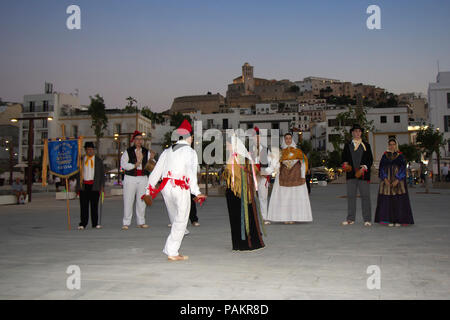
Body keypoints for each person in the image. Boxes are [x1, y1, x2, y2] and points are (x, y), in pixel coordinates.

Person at [144, 120, 206, 261]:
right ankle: (172, 251)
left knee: (175, 217)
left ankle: (178, 235)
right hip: (180, 188)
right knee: (182, 218)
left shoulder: (167, 150)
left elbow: (156, 171)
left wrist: (148, 190)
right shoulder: (189, 151)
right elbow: (191, 173)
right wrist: (197, 192)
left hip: (166, 188)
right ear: (189, 137)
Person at [222, 134, 265, 251]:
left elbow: (240, 175)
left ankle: (244, 244)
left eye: (228, 145)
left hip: (238, 193)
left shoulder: (237, 158)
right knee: (240, 217)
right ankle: (242, 243)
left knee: (241, 217)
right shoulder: (243, 157)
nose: (227, 147)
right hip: (241, 192)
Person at [266, 132, 312, 224]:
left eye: (289, 138)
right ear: (284, 140)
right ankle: (285, 218)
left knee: (294, 198)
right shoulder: (280, 153)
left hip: (296, 177)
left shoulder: (298, 151)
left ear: (292, 140)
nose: (288, 140)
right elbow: (275, 165)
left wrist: (302, 172)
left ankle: (293, 217)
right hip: (283, 178)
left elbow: (304, 162)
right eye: (286, 138)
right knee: (284, 199)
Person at [374, 138, 414, 227]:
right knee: (387, 201)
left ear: (396, 145)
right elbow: (381, 168)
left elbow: (403, 168)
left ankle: (399, 220)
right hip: (386, 182)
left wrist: (397, 179)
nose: (392, 146)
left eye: (393, 144)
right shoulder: (385, 156)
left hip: (398, 182)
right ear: (388, 146)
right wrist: (385, 179)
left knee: (398, 200)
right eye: (390, 144)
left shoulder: (400, 156)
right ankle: (388, 219)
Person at [341, 124, 374, 226]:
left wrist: (364, 167)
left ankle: (367, 219)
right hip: (351, 175)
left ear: (361, 133)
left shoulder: (366, 145)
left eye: (359, 131)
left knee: (365, 196)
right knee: (351, 197)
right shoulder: (347, 145)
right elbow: (344, 158)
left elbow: (370, 160)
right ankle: (350, 219)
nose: (357, 133)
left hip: (363, 175)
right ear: (352, 133)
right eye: (355, 131)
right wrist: (345, 164)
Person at [120, 131, 151, 230]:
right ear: (134, 140)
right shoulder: (127, 151)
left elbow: (151, 165)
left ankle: (141, 221)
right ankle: (126, 222)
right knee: (128, 200)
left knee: (141, 200)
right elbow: (123, 164)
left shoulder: (147, 151)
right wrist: (134, 165)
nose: (139, 141)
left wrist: (152, 161)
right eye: (137, 139)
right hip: (130, 178)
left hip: (143, 178)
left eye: (140, 139)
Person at [76, 142, 105, 230]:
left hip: (94, 186)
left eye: (91, 149)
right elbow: (77, 173)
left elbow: (102, 174)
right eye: (88, 149)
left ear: (94, 150)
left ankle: (95, 223)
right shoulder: (81, 160)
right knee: (83, 206)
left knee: (94, 205)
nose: (90, 151)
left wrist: (102, 186)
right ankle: (83, 223)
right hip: (84, 185)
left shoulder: (98, 160)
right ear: (85, 150)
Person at [250, 126, 273, 225]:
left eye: (258, 137)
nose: (257, 139)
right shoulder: (249, 150)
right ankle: (252, 218)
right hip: (252, 177)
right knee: (251, 198)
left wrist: (266, 172)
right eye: (255, 137)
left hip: (263, 177)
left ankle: (264, 217)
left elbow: (272, 164)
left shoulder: (266, 150)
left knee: (263, 197)